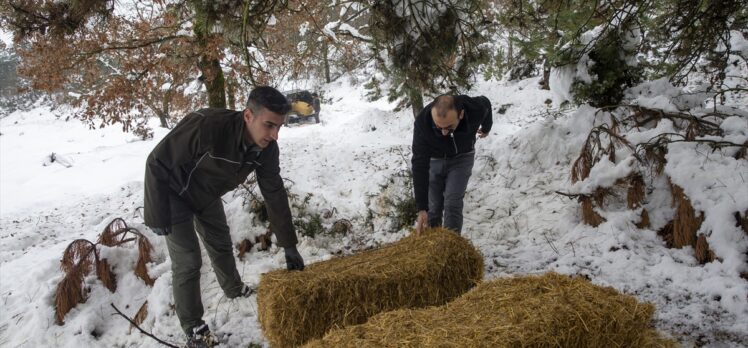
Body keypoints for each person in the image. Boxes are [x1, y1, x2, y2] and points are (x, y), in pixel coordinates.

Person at [143, 86, 305, 348]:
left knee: (220, 242)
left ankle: (233, 289)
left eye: (280, 127)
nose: (275, 135)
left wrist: (289, 245)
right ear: (248, 116)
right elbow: (157, 161)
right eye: (269, 125)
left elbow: (273, 191)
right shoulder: (206, 126)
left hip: (206, 194)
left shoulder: (267, 148)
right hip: (173, 194)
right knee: (188, 261)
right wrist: (156, 215)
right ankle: (194, 328)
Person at [411, 94, 492, 235]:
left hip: (462, 158)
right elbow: (419, 163)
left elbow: (486, 103)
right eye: (438, 126)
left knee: (452, 202)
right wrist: (422, 208)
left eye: (448, 127)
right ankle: (432, 243)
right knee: (433, 207)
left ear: (460, 114)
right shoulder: (422, 122)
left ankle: (451, 245)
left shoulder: (474, 108)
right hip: (434, 161)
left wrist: (486, 127)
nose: (443, 132)